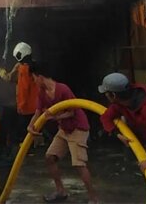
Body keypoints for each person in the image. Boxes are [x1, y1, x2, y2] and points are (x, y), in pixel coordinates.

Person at [27, 62, 96, 203]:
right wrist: (31, 126)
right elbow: (38, 112)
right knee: (49, 157)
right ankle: (60, 191)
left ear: (39, 77)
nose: (34, 82)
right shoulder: (42, 93)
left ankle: (93, 199)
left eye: (33, 78)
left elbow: (73, 110)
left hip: (77, 128)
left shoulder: (63, 89)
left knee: (79, 164)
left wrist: (55, 117)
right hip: (64, 129)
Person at [0, 42, 39, 146]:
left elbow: (24, 89)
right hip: (34, 105)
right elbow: (13, 79)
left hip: (27, 107)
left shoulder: (24, 69)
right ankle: (32, 145)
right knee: (33, 127)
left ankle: (26, 148)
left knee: (25, 130)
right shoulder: (31, 66)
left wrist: (21, 106)